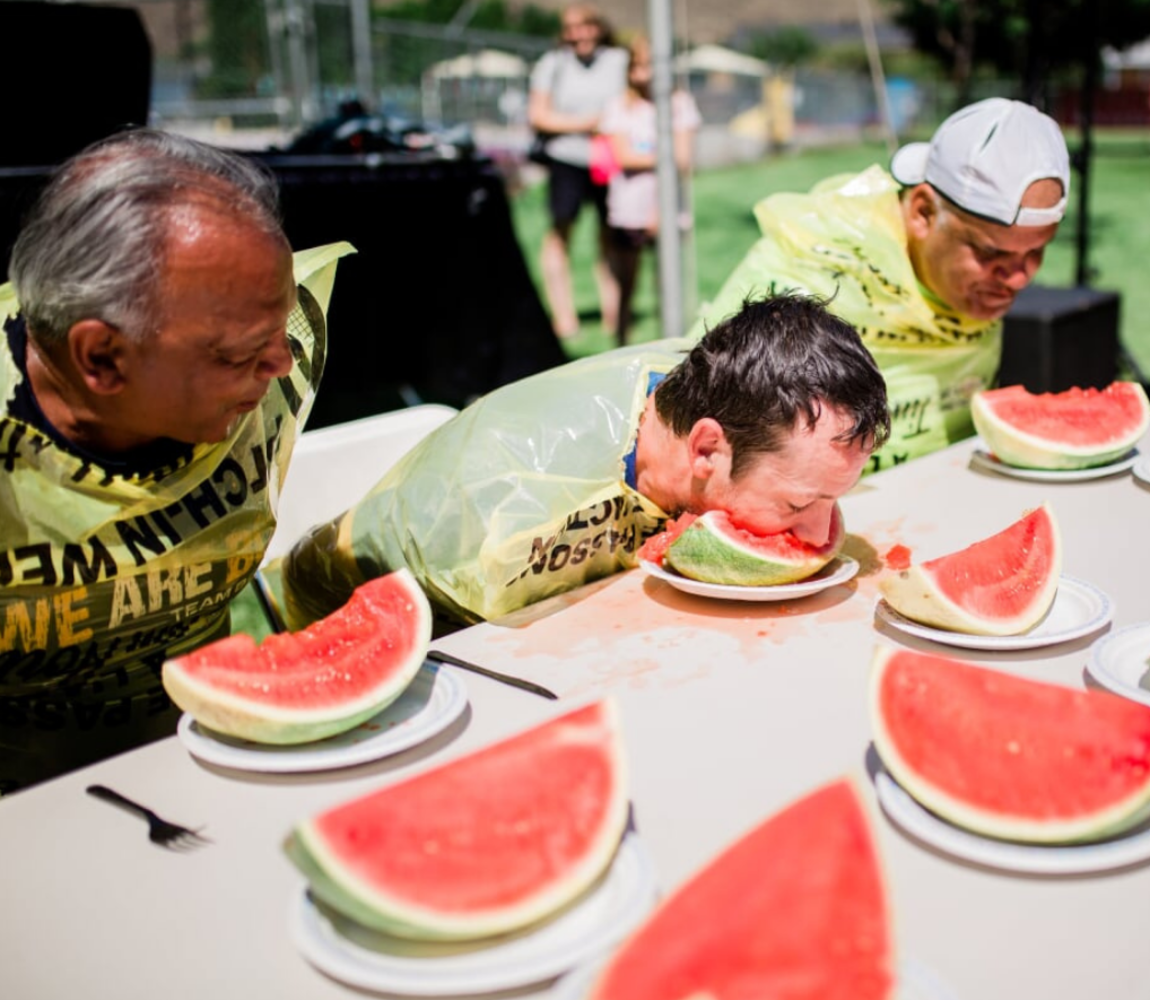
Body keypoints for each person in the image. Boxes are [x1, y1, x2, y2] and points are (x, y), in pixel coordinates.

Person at [0, 128, 352, 793]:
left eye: (279, 333)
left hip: (209, 763)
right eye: (237, 355)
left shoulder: (265, 338)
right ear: (101, 358)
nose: (282, 365)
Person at [280, 292, 889, 631]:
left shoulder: (727, 387)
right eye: (797, 504)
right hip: (369, 602)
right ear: (707, 449)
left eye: (834, 498)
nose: (821, 536)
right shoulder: (515, 504)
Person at [689, 97, 1071, 473]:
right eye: (991, 254)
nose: (1019, 277)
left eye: (1036, 252)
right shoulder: (808, 265)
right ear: (923, 212)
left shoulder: (977, 277)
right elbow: (696, 410)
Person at [528, 3, 628, 339]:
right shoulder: (551, 64)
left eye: (584, 25)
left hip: (609, 159)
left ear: (597, 26)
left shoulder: (618, 61)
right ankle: (564, 317)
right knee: (561, 233)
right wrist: (587, 123)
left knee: (610, 236)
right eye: (570, 28)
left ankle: (614, 314)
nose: (577, 34)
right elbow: (539, 115)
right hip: (566, 160)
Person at [599, 34, 701, 345]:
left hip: (669, 210)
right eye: (637, 65)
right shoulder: (619, 107)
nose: (643, 72)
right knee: (625, 282)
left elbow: (683, 160)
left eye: (650, 64)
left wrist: (660, 204)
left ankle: (670, 344)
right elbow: (623, 157)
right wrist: (663, 156)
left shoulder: (679, 103)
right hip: (629, 209)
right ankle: (621, 341)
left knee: (667, 284)